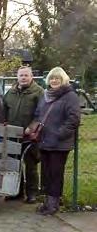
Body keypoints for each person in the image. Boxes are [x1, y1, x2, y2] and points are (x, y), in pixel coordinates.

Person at [29, 67, 80, 215]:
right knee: (46, 173)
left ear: (63, 79)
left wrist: (60, 133)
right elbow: (39, 115)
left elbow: (74, 118)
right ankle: (47, 202)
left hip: (59, 143)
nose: (54, 81)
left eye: (57, 78)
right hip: (45, 141)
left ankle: (53, 204)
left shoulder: (70, 96)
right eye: (52, 78)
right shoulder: (45, 95)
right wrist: (33, 129)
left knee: (56, 173)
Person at [3, 66, 44, 203]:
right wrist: (5, 123)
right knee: (14, 164)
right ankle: (16, 192)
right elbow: (5, 109)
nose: (23, 78)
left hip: (30, 136)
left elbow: (41, 114)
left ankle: (32, 194)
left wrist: (31, 128)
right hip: (13, 135)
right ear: (17, 77)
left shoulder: (38, 92)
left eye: (26, 75)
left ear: (31, 76)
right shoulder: (11, 93)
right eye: (21, 75)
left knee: (30, 165)